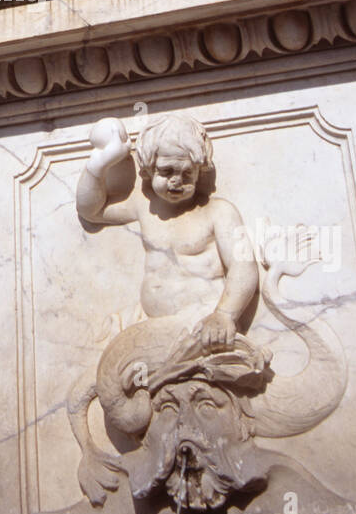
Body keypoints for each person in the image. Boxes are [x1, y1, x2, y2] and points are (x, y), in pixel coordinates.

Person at [76, 113, 258, 348]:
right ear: (148, 170)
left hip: (201, 328)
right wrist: (100, 163)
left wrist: (224, 315)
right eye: (167, 171)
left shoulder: (219, 213)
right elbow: (91, 211)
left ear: (199, 171)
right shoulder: (144, 207)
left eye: (186, 173)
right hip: (152, 328)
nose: (177, 181)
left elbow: (243, 267)